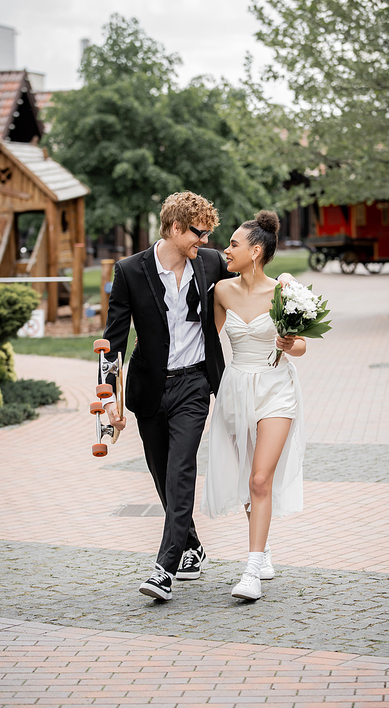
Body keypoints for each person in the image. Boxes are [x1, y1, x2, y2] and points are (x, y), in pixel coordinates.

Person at [101, 191, 230, 601]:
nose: (205, 241)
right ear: (175, 228)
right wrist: (108, 401)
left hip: (195, 383)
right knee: (162, 476)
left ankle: (164, 568)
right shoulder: (130, 271)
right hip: (151, 387)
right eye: (198, 232)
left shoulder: (209, 264)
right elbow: (114, 342)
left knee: (181, 470)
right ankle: (192, 545)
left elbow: (249, 287)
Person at [201, 210, 306, 601]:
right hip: (236, 387)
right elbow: (208, 343)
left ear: (256, 251)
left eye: (233, 244)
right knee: (248, 476)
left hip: (276, 387)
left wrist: (288, 343)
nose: (226, 250)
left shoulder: (283, 291)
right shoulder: (221, 292)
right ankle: (263, 551)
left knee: (260, 478)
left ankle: (251, 572)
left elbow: (302, 344)